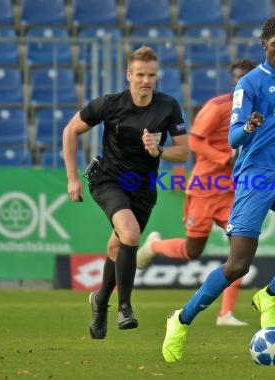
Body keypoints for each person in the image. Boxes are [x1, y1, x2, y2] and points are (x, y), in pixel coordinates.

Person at [161, 15, 275, 363]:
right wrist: (249, 127)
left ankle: (271, 294)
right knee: (238, 264)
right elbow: (232, 137)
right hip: (255, 177)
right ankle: (180, 320)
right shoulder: (251, 84)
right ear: (265, 45)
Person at [63, 46, 189, 339]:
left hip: (143, 188)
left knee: (117, 247)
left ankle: (99, 301)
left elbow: (184, 152)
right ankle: (125, 307)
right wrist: (72, 177)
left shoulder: (168, 106)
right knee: (130, 234)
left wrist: (159, 150)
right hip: (108, 181)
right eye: (141, 74)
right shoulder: (111, 104)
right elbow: (70, 130)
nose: (146, 80)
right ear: (129, 75)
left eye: (152, 75)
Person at [135, 59, 258, 327]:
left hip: (233, 193)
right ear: (233, 81)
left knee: (241, 250)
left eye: (247, 78)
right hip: (205, 188)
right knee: (193, 250)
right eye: (237, 78)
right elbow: (194, 142)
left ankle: (225, 314)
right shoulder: (217, 108)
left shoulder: (260, 112)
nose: (242, 83)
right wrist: (225, 159)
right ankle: (154, 245)